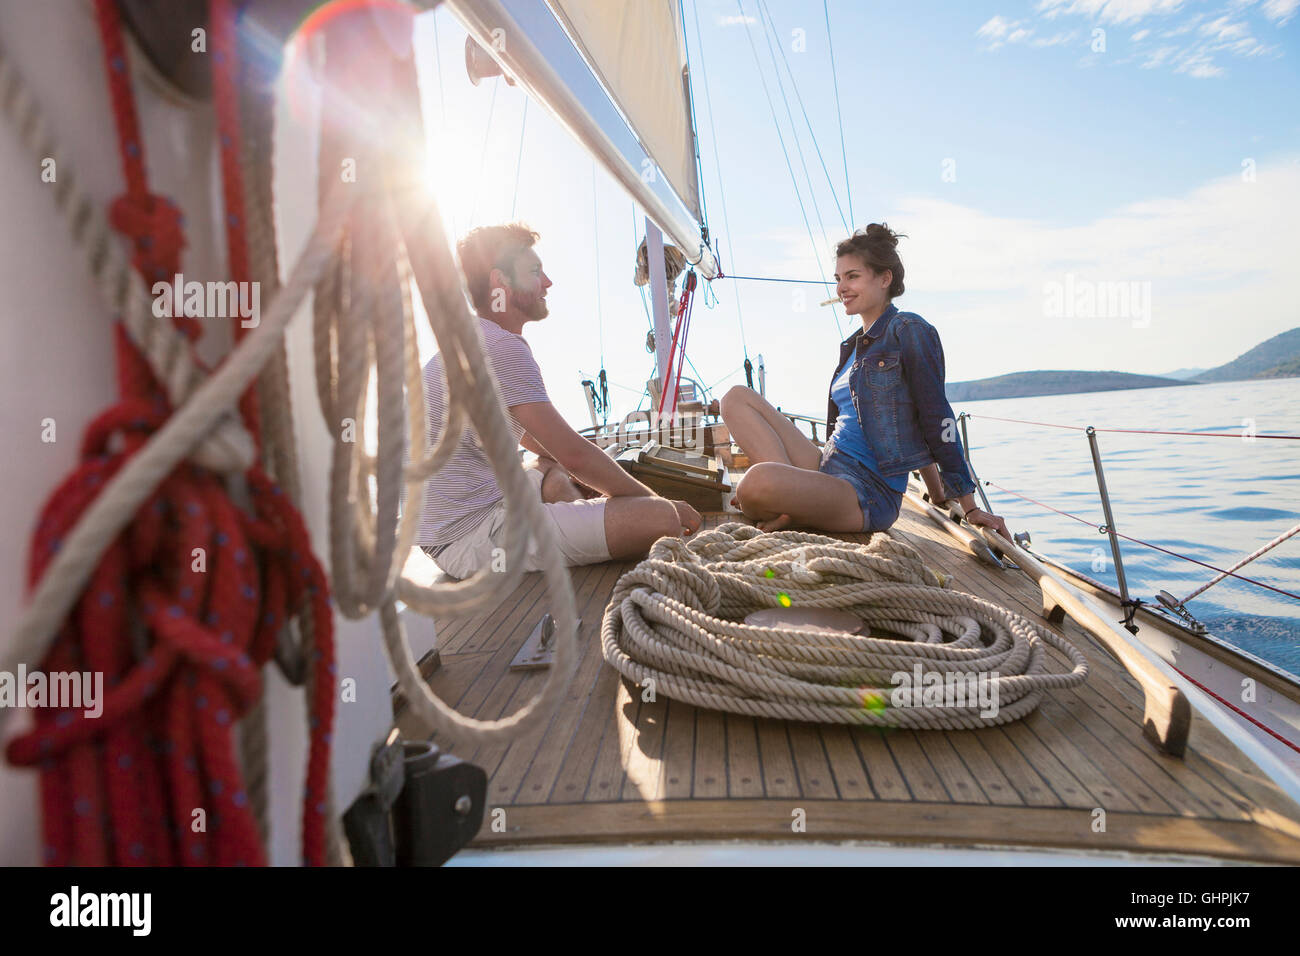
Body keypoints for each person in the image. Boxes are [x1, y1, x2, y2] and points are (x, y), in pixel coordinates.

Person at [417, 223, 702, 579]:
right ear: (500, 282)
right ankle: (595, 525)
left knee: (550, 468)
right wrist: (659, 501)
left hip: (446, 532)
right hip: (473, 539)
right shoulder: (503, 348)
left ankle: (585, 524)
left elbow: (538, 443)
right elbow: (575, 457)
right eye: (535, 272)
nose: (547, 282)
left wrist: (591, 479)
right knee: (661, 519)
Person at [720, 223, 1009, 539]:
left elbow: (934, 415)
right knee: (735, 398)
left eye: (852, 276)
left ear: (884, 279)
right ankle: (789, 502)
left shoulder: (907, 329)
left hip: (867, 491)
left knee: (754, 485)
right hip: (828, 463)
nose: (841, 287)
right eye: (838, 279)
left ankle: (782, 499)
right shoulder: (852, 346)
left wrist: (967, 505)